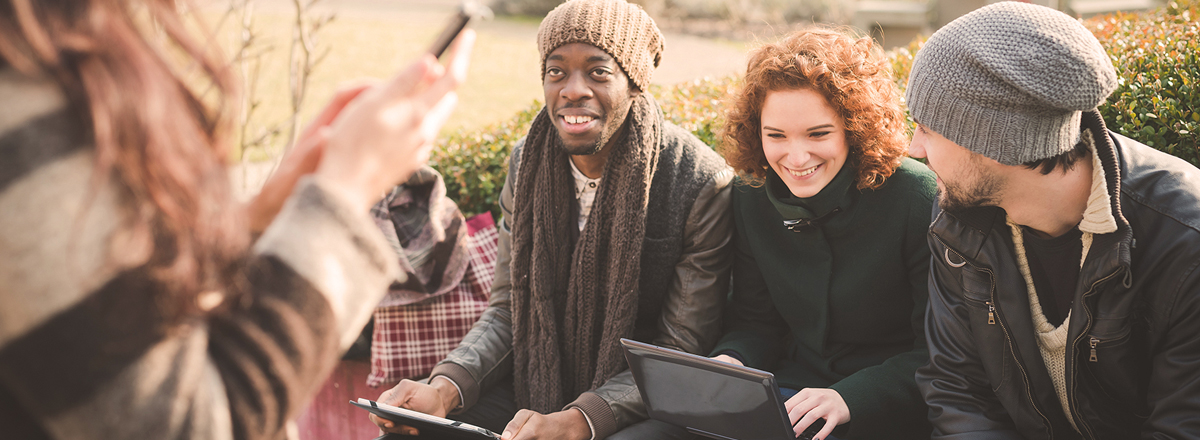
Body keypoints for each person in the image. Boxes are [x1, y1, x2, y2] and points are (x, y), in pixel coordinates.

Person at [0, 0, 474, 438]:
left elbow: (125, 321)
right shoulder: (23, 108)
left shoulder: (52, 58)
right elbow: (183, 424)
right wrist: (344, 195)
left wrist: (260, 222)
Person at [371, 0, 733, 439]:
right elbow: (509, 309)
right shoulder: (528, 164)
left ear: (635, 83)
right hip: (538, 378)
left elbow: (678, 349)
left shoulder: (698, 182)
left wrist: (582, 419)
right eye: (556, 71)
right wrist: (446, 387)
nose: (572, 89)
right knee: (411, 431)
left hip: (642, 400)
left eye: (598, 72)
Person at [907, 3, 1200, 438]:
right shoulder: (960, 217)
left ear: (992, 140)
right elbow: (958, 391)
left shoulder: (1183, 239)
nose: (914, 149)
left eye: (928, 129)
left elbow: (1182, 426)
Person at [708, 28, 935, 440]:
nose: (795, 158)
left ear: (855, 126)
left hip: (885, 407)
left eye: (818, 134)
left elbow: (939, 352)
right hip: (790, 393)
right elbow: (755, 322)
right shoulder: (750, 195)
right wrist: (732, 362)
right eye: (775, 135)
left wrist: (851, 397)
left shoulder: (915, 196)